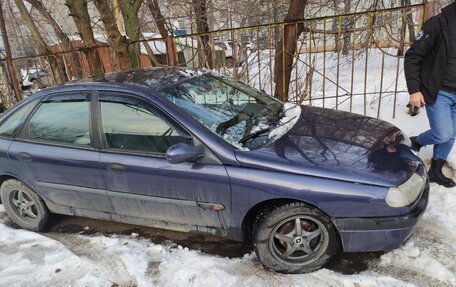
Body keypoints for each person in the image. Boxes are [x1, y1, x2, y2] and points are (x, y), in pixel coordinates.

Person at [404, 2, 456, 188]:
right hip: (439, 91)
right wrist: (414, 90)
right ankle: (417, 140)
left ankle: (435, 170)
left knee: (451, 134)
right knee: (443, 133)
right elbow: (413, 57)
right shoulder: (438, 23)